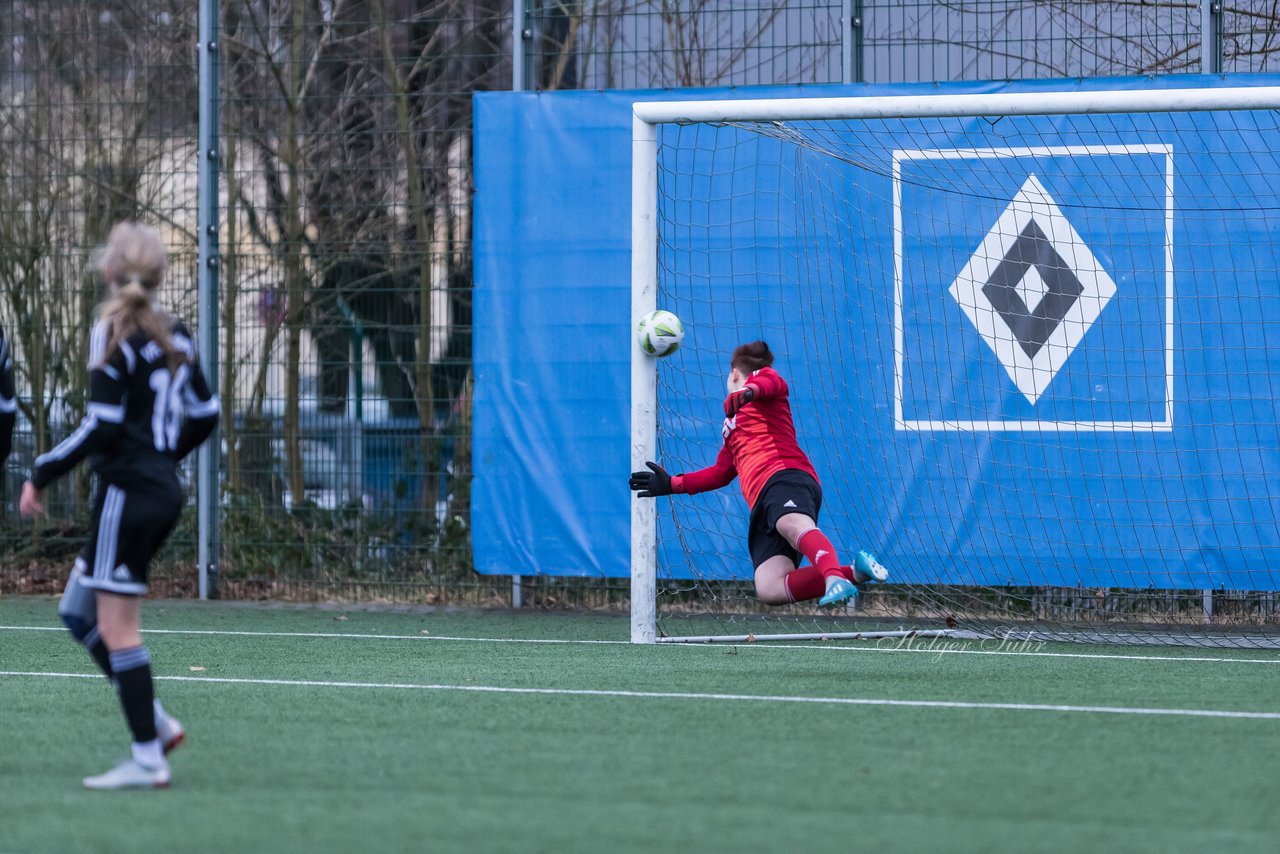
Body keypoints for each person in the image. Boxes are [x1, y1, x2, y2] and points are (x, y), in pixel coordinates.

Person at [21, 222, 220, 790]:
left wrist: (41, 472)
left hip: (128, 495)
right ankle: (154, 721)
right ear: (158, 277)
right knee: (77, 613)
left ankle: (148, 756)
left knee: (118, 629)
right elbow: (205, 415)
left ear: (109, 272)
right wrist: (164, 459)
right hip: (155, 491)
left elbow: (99, 427)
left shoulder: (112, 330)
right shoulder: (177, 334)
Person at [629, 340, 886, 607]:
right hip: (763, 503)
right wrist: (672, 483)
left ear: (733, 374)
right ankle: (856, 571)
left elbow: (769, 383)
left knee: (792, 525)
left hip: (785, 476)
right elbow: (719, 473)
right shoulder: (731, 424)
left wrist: (749, 391)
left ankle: (834, 578)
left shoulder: (763, 384)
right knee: (770, 587)